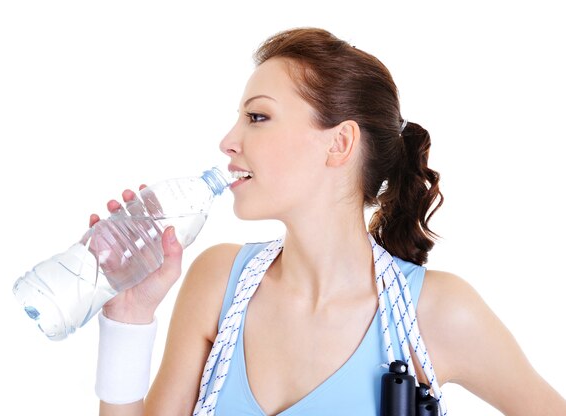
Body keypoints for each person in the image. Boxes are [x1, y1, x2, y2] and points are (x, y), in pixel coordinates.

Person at [89, 28, 566, 415]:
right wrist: (128, 321)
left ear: (339, 144)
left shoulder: (439, 314)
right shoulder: (218, 282)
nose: (228, 141)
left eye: (257, 117)